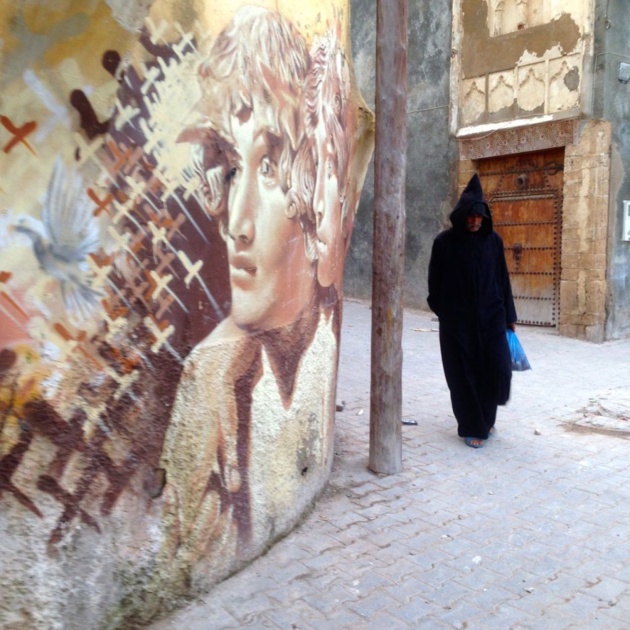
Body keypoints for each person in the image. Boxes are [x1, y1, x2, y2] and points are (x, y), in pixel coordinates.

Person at [157, 7, 337, 591]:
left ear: (316, 191)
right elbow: (182, 569)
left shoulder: (322, 350)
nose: (236, 223)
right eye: (232, 170)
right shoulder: (209, 383)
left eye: (269, 169)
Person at [427, 173, 517, 448]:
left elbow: (502, 278)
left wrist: (510, 317)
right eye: (471, 217)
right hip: (458, 323)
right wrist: (449, 315)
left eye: (480, 217)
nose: (476, 222)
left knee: (496, 368)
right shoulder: (444, 243)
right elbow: (435, 284)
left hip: (492, 318)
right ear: (462, 215)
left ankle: (487, 420)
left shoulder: (494, 241)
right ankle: (472, 426)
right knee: (463, 373)